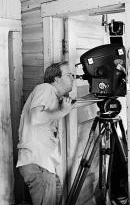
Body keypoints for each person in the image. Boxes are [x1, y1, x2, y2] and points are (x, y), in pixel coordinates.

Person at [16, 61, 76, 205]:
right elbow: (36, 117)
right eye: (69, 75)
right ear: (56, 78)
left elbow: (69, 105)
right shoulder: (45, 88)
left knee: (57, 195)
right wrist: (62, 111)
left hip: (43, 164)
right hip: (37, 163)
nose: (73, 78)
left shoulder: (53, 96)